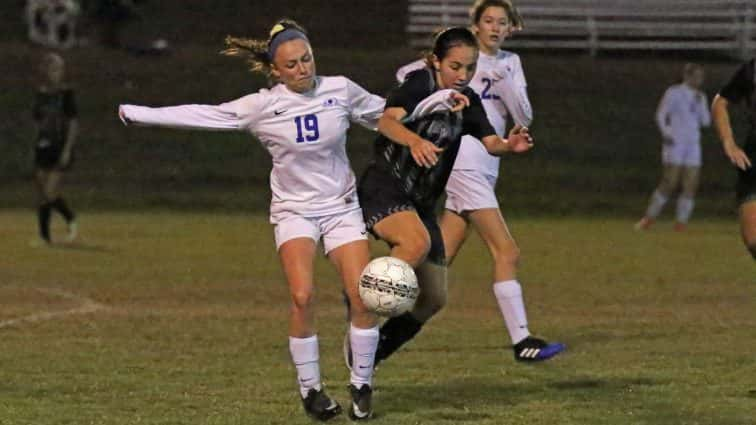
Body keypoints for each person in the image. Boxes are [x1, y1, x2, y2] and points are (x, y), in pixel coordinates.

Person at [118, 20, 385, 421]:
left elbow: (388, 116)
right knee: (302, 296)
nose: (302, 68)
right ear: (275, 70)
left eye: (307, 59)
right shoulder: (262, 106)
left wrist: (440, 109)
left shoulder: (341, 90)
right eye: (292, 64)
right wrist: (140, 114)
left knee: (364, 295)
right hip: (294, 211)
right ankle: (311, 391)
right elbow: (205, 115)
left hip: (342, 207)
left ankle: (362, 383)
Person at [394, 0, 564, 363]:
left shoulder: (509, 63)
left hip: (488, 163)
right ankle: (523, 342)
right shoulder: (463, 58)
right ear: (475, 24)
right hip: (464, 163)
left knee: (441, 257)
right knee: (507, 251)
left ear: (511, 27)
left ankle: (384, 301)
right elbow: (406, 74)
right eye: (488, 20)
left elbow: (524, 117)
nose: (495, 28)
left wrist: (504, 86)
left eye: (502, 22)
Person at [354, 26, 533, 369]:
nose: (463, 75)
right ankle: (362, 312)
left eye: (470, 67)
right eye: (455, 66)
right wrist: (415, 141)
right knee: (414, 245)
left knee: (433, 299)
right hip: (386, 187)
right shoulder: (420, 84)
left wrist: (510, 145)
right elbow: (388, 123)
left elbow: (490, 142)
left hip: (421, 203)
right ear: (435, 61)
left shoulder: (468, 101)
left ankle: (374, 351)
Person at [636, 63, 711, 232]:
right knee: (670, 181)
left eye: (701, 77)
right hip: (675, 142)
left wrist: (700, 105)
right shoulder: (674, 92)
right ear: (687, 76)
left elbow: (706, 122)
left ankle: (680, 223)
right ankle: (649, 218)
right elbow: (661, 114)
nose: (700, 80)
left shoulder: (701, 96)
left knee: (691, 183)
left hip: (693, 144)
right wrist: (666, 134)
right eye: (697, 76)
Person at [711, 59, 756, 260]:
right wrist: (729, 142)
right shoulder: (752, 69)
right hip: (753, 159)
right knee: (753, 240)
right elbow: (720, 102)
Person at [33, 52, 79, 245]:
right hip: (43, 146)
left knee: (50, 192)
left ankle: (71, 219)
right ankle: (45, 237)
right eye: (52, 68)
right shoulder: (41, 94)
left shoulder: (66, 95)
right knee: (43, 193)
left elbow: (74, 123)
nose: (55, 73)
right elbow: (38, 121)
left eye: (58, 69)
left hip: (60, 147)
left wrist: (67, 149)